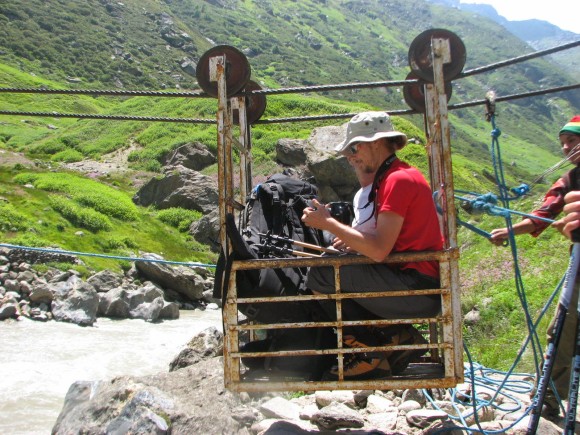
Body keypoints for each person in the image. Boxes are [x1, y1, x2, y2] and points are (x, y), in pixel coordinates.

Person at [301, 111, 444, 379]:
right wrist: (351, 240)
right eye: (347, 152)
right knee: (332, 267)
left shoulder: (397, 180)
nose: (349, 157)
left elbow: (379, 250)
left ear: (377, 143)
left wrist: (329, 223)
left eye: (354, 149)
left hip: (416, 287)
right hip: (412, 282)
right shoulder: (392, 178)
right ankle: (397, 337)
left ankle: (369, 354)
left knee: (321, 274)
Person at [489, 115, 580, 418]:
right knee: (563, 330)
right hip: (579, 269)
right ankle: (548, 399)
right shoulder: (569, 180)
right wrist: (509, 231)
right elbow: (543, 214)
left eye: (573, 141)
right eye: (563, 143)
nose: (566, 148)